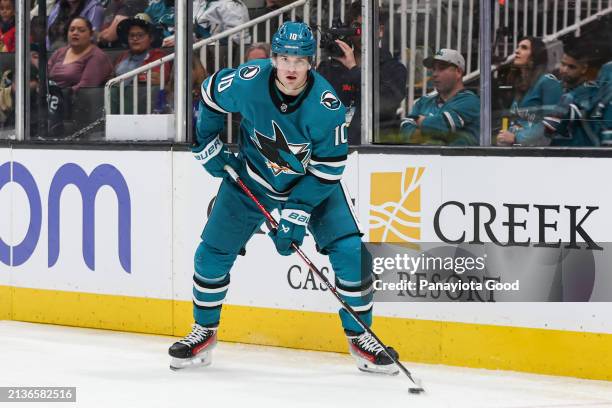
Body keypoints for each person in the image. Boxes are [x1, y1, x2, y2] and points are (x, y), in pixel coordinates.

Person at [168, 21, 399, 375]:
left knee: (352, 254)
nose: (292, 68)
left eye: (301, 60)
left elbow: (329, 169)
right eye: (285, 58)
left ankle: (361, 335)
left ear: (312, 62)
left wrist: (298, 210)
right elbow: (211, 94)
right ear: (274, 58)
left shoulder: (327, 105)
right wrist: (207, 142)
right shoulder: (248, 80)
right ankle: (204, 331)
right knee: (210, 254)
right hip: (252, 178)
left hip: (312, 185)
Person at [317, 1, 407, 144]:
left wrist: (353, 70)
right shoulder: (329, 68)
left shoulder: (395, 69)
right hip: (334, 151)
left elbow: (385, 103)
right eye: (357, 27)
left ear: (380, 31)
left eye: (369, 26)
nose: (363, 33)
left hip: (375, 154)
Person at [400, 49, 479, 145]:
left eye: (441, 68)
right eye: (434, 69)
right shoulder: (424, 101)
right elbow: (404, 128)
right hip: (425, 159)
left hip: (458, 159)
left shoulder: (470, 101)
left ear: (458, 72)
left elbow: (442, 126)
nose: (434, 74)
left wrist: (421, 122)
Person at [496, 36, 562, 146]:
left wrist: (516, 138)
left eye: (524, 48)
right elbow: (518, 122)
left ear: (535, 55)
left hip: (539, 155)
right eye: (518, 47)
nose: (517, 51)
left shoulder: (547, 82)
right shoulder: (521, 83)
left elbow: (552, 123)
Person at [542, 46, 600, 146]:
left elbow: (549, 130)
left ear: (584, 69)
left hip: (576, 153)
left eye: (571, 67)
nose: (564, 70)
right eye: (563, 64)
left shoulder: (577, 95)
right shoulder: (559, 89)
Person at [48, 16, 113, 92]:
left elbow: (86, 86)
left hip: (77, 100)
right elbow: (44, 74)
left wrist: (62, 94)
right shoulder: (60, 52)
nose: (75, 33)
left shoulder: (97, 56)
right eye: (71, 30)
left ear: (91, 34)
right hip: (51, 98)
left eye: (81, 30)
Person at [113, 13, 170, 85]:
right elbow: (111, 80)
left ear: (151, 38)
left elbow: (158, 79)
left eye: (140, 35)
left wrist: (130, 78)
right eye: (132, 35)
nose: (135, 38)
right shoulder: (122, 57)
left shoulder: (159, 56)